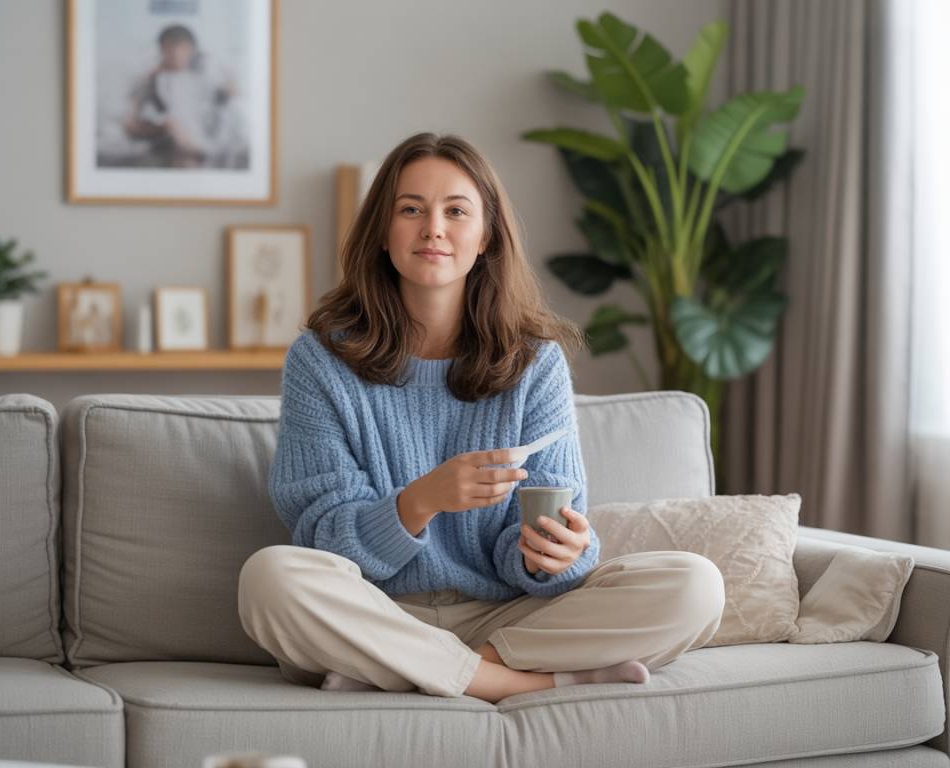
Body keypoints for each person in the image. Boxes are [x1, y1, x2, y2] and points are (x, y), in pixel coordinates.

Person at [237, 133, 726, 704]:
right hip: (373, 610)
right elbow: (324, 540)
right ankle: (520, 681)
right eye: (411, 209)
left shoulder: (535, 362)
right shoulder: (321, 361)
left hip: (502, 617)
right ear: (383, 231)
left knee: (695, 585)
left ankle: (417, 671)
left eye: (456, 211)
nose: (433, 229)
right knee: (270, 578)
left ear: (486, 235)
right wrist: (421, 500)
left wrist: (557, 554)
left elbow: (548, 535)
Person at [120, 24, 247, 169]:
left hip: (208, 145)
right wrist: (163, 128)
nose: (176, 54)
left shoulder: (206, 77)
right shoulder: (150, 81)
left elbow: (230, 104)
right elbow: (130, 124)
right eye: (169, 48)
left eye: (183, 48)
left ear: (192, 49)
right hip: (172, 147)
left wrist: (228, 92)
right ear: (161, 50)